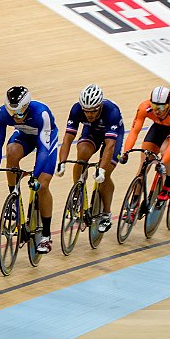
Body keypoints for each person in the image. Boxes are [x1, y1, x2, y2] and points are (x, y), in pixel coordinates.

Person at [0, 86, 58, 253]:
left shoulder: (41, 114)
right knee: (11, 153)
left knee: (43, 185)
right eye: (12, 113)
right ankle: (14, 199)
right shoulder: (2, 114)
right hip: (24, 136)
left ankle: (46, 236)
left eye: (19, 113)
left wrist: (36, 175)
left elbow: (44, 149)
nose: (15, 117)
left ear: (26, 107)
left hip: (45, 138)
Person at [56, 83, 124, 233]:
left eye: (93, 111)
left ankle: (106, 213)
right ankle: (78, 193)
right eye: (86, 111)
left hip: (112, 137)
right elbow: (67, 139)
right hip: (92, 132)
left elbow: (110, 145)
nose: (89, 115)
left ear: (99, 106)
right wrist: (62, 162)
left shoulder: (112, 111)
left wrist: (102, 170)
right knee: (82, 154)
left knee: (105, 174)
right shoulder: (76, 109)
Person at [120, 86, 170, 202]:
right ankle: (132, 207)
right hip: (158, 126)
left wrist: (163, 162)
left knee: (165, 150)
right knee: (143, 168)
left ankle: (169, 182)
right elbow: (134, 131)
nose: (157, 111)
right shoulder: (144, 107)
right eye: (154, 106)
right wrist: (126, 152)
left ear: (168, 104)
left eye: (161, 107)